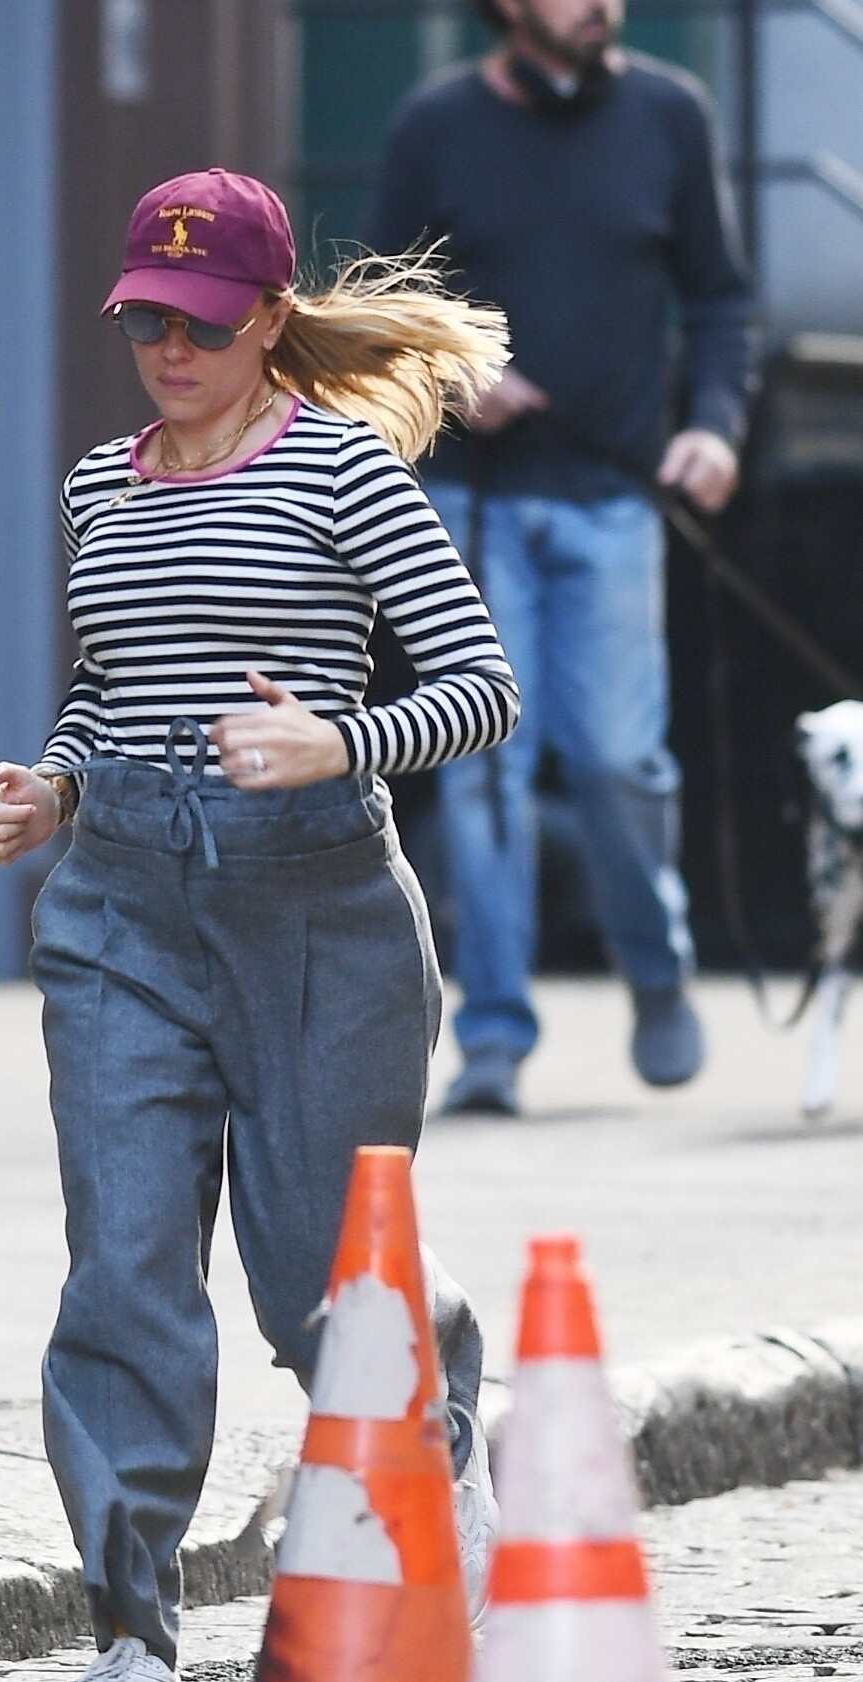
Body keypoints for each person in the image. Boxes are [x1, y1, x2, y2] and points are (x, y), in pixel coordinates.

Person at [0, 168, 519, 1682]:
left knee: (315, 1287)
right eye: (146, 318)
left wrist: (334, 742)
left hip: (317, 916)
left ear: (270, 319)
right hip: (121, 911)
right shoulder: (99, 484)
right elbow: (110, 685)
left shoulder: (345, 473)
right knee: (124, 1271)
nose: (170, 349)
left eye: (204, 324)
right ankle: (131, 1649)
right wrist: (52, 786)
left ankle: (439, 1411)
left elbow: (478, 687)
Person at [368, 0, 754, 1114]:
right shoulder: (432, 126)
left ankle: (656, 970)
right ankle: (492, 1035)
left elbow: (719, 302)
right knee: (484, 764)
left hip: (614, 498)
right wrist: (453, 375)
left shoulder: (669, 114)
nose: (599, 6)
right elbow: (374, 313)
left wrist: (713, 427)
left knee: (616, 760)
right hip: (471, 502)